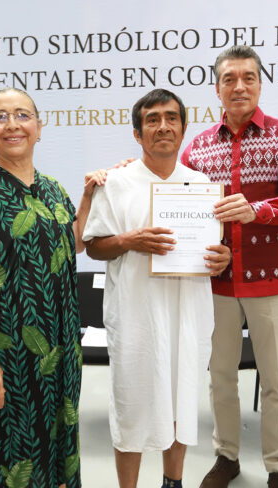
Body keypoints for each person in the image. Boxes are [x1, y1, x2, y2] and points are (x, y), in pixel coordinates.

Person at [0, 87, 104, 488]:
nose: (12, 124)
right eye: (0, 117)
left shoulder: (52, 189)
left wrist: (87, 197)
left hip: (59, 353)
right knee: (9, 458)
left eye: (22, 115)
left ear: (39, 127)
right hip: (5, 359)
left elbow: (74, 243)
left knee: (55, 452)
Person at [82, 88, 231, 488]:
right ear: (137, 133)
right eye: (152, 119)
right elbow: (93, 247)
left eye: (171, 118)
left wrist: (224, 259)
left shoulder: (202, 186)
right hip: (135, 316)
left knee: (182, 402)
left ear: (184, 128)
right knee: (131, 406)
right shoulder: (115, 183)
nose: (163, 126)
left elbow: (216, 250)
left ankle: (173, 482)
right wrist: (130, 241)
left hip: (189, 313)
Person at [181, 45, 278, 488]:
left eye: (248, 78)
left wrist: (257, 210)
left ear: (260, 83)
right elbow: (176, 201)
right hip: (214, 282)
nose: (239, 86)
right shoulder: (196, 147)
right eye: (230, 78)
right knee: (221, 377)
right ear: (216, 87)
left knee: (275, 379)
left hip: (271, 280)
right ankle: (226, 457)